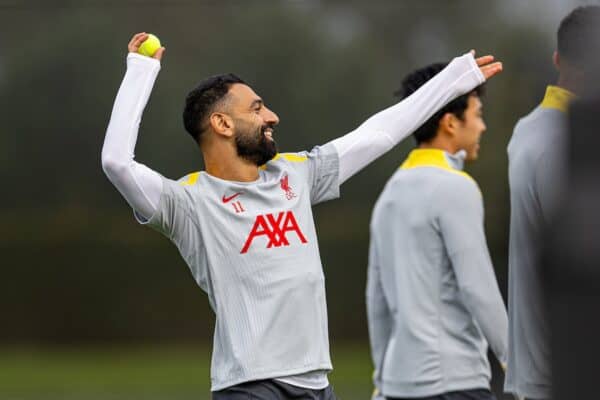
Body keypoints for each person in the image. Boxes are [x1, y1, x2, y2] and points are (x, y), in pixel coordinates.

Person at [101, 32, 502, 399]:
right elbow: (118, 163)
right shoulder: (187, 203)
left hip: (318, 385)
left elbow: (378, 134)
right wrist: (141, 70)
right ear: (221, 123)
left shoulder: (295, 173)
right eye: (257, 109)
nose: (272, 116)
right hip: (250, 387)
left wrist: (453, 80)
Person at [366, 62, 507, 400]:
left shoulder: (389, 193)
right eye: (478, 114)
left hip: (397, 385)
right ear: (450, 122)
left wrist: (381, 380)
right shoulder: (456, 187)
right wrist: (516, 363)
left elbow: (376, 300)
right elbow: (478, 287)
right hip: (454, 382)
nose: (483, 126)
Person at [505, 6, 600, 400]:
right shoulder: (567, 144)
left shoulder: (526, 131)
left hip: (539, 370)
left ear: (558, 59)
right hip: (569, 372)